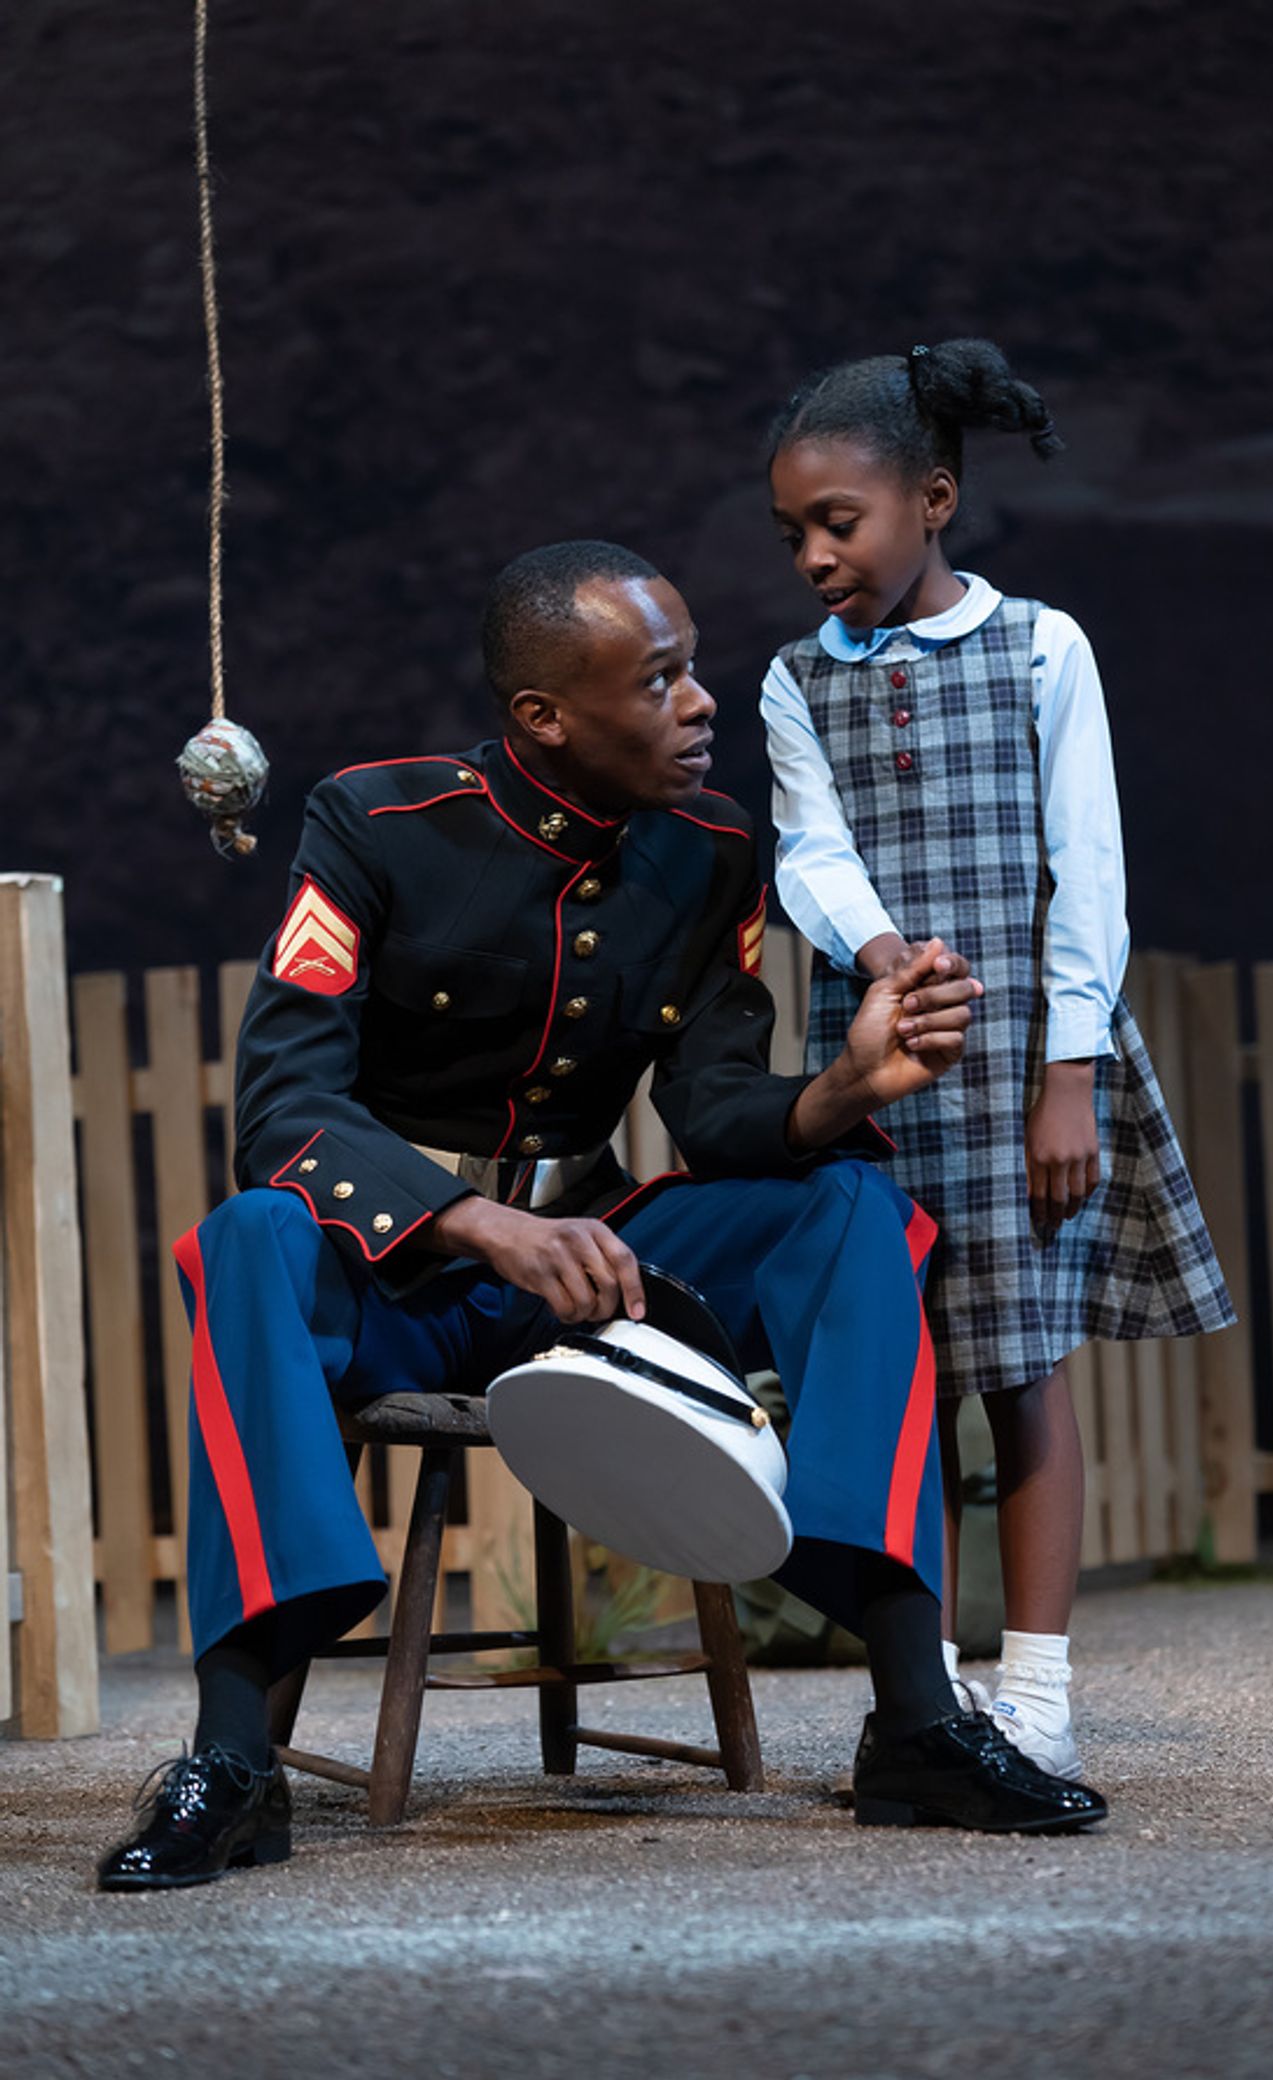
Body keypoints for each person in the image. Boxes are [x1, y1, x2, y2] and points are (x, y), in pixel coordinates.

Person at [97, 540, 1105, 1890]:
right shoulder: (377, 821)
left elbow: (717, 1111)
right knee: (246, 1238)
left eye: (693, 671)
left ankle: (917, 1718)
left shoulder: (711, 851)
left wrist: (849, 1087)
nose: (700, 704)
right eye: (660, 680)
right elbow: (283, 1109)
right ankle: (230, 1761)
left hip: (593, 1273)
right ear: (545, 716)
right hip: (398, 1279)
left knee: (858, 1205)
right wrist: (478, 1226)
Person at [762, 342, 1235, 1780]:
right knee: (906, 1378)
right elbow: (810, 850)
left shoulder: (1040, 646)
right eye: (793, 533)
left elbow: (1087, 864)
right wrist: (882, 958)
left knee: (1024, 1367)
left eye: (839, 522)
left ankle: (1036, 1691)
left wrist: (1069, 1075)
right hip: (886, 1061)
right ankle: (930, 1696)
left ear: (935, 499)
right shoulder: (795, 680)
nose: (815, 556)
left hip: (1028, 1058)